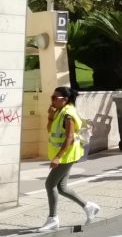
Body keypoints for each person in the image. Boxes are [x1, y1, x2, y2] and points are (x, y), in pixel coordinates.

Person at [38, 87, 100, 232]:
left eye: (55, 98)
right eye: (51, 97)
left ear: (64, 100)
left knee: (50, 185)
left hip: (66, 155)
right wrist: (50, 117)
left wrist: (58, 157)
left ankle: (53, 219)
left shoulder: (68, 115)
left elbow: (70, 138)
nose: (52, 100)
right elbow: (50, 130)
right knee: (62, 187)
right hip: (64, 154)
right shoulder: (59, 111)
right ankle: (89, 207)